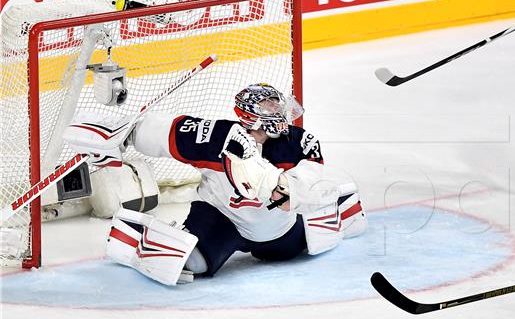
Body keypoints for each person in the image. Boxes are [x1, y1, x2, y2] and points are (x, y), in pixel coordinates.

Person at [65, 83, 367, 285]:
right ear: (251, 116)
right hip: (222, 219)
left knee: (300, 247)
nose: (280, 112)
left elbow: (314, 178)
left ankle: (340, 208)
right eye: (271, 108)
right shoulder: (215, 138)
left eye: (279, 105)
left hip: (277, 228)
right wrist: (118, 135)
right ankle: (140, 239)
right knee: (194, 264)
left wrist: (289, 187)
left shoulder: (298, 141)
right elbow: (162, 133)